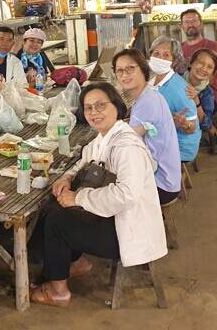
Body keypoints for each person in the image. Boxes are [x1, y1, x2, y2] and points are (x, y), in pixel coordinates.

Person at [31, 82, 167, 307]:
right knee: (53, 208)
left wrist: (78, 198)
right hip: (113, 220)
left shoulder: (126, 146)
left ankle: (58, 292)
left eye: (100, 105)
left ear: (116, 106)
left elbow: (126, 195)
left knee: (57, 221)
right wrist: (66, 178)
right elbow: (84, 160)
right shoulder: (106, 137)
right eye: (88, 108)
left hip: (127, 231)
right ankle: (75, 263)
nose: (94, 112)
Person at [112, 49, 182, 205]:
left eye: (130, 68)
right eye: (120, 71)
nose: (125, 74)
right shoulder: (146, 95)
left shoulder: (148, 101)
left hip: (161, 184)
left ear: (143, 70)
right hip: (166, 176)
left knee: (106, 188)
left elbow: (126, 141)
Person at [148, 36, 200, 164]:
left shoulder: (180, 90)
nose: (160, 58)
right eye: (156, 54)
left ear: (174, 61)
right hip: (160, 134)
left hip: (180, 146)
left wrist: (184, 124)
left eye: (166, 55)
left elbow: (192, 128)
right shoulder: (151, 79)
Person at [185, 48, 217, 155]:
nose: (204, 69)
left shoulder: (207, 93)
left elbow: (204, 121)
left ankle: (214, 133)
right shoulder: (176, 78)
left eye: (209, 67)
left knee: (207, 120)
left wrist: (196, 100)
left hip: (193, 121)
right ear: (191, 63)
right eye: (200, 63)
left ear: (213, 72)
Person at [180, 8, 217, 110]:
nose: (191, 24)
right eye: (187, 22)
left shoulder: (213, 46)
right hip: (184, 91)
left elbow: (212, 76)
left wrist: (194, 92)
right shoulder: (179, 49)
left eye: (194, 21)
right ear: (182, 26)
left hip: (207, 94)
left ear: (201, 24)